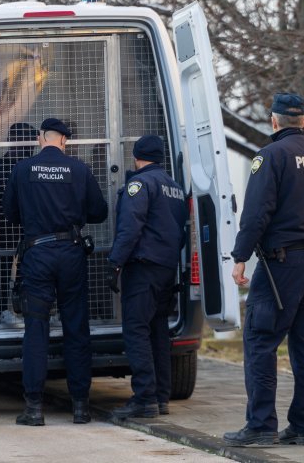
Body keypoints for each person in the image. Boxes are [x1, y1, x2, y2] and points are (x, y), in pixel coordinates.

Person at [223, 93, 304, 447]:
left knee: (260, 340)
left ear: (273, 121)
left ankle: (260, 426)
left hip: (281, 262)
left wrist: (241, 255)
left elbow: (257, 211)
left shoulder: (270, 156)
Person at [2, 117, 108, 426]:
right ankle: (80, 407)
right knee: (76, 328)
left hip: (37, 254)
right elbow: (99, 212)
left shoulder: (22, 170)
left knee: (36, 329)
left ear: (39, 139)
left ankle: (34, 408)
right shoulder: (79, 170)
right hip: (71, 252)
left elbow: (9, 213)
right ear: (64, 141)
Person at [106, 135, 188, 419]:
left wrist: (115, 263)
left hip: (143, 267)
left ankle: (144, 398)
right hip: (166, 268)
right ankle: (160, 396)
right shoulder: (174, 187)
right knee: (157, 331)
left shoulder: (140, 184)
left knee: (136, 329)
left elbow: (130, 228)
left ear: (137, 156)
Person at [0, 123, 38, 323]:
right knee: (2, 266)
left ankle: (26, 307)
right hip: (6, 224)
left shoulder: (35, 166)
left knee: (30, 268)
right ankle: (1, 309)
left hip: (32, 225)